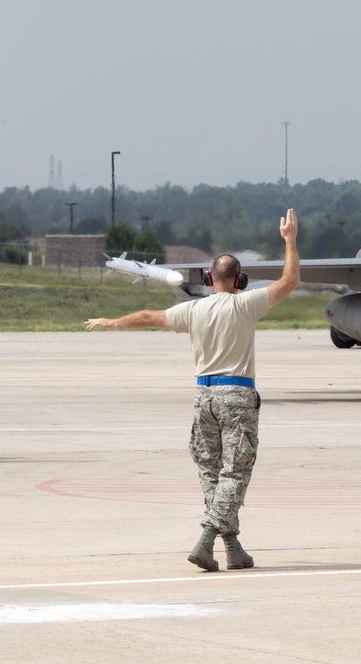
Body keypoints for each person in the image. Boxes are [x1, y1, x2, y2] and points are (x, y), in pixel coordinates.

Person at [85, 210, 300, 571]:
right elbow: (290, 280)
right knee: (235, 473)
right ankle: (206, 538)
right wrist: (290, 239)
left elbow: (147, 317)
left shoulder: (193, 310)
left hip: (204, 397)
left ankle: (233, 548)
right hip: (237, 395)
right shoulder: (246, 304)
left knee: (212, 473)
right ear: (240, 280)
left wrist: (111, 322)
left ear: (207, 277)